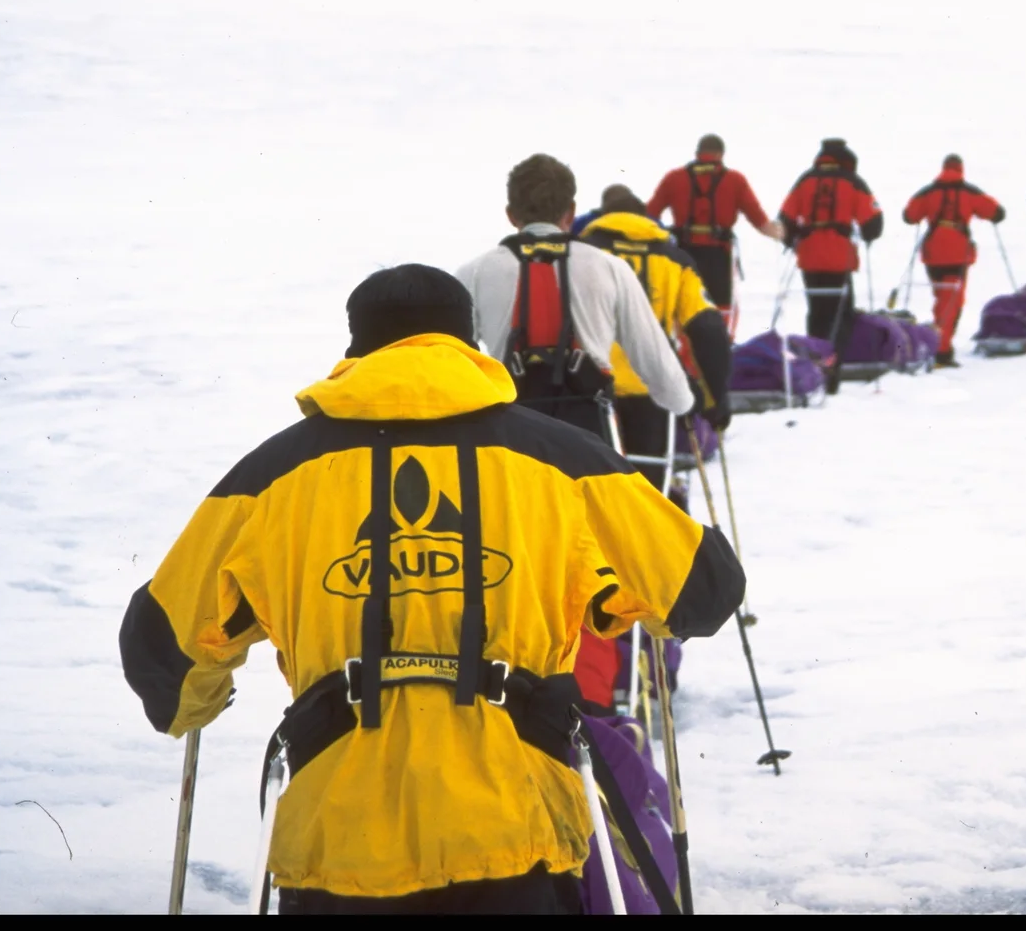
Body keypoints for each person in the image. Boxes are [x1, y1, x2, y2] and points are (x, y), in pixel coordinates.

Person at [117, 264, 745, 913]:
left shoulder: (269, 477)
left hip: (337, 834)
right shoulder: (564, 461)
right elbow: (703, 589)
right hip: (517, 820)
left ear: (355, 350)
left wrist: (200, 697)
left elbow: (163, 649)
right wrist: (608, 596)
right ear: (471, 344)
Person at [457, 155, 695, 441]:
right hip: (590, 435)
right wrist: (682, 403)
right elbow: (654, 358)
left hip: (512, 435)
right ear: (570, 211)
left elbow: (454, 363)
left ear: (510, 214)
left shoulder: (474, 273)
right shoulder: (610, 268)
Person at [580, 185, 733, 495]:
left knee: (593, 484)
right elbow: (708, 328)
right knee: (648, 487)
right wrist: (717, 397)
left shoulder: (581, 253)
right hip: (653, 384)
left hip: (591, 384)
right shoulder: (676, 259)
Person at [646, 134, 784, 332]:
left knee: (684, 303)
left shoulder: (674, 178)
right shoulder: (735, 180)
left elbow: (650, 215)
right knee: (721, 306)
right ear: (721, 154)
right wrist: (782, 234)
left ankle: (684, 351)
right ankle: (720, 347)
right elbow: (760, 221)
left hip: (684, 254)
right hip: (719, 254)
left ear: (697, 154)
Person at [777, 137, 883, 392]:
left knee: (817, 312)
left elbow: (785, 220)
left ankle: (816, 364)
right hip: (839, 258)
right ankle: (833, 371)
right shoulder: (853, 182)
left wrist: (794, 239)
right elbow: (874, 223)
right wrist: (866, 235)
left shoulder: (805, 180)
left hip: (810, 257)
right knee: (841, 316)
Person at [901, 154, 1006, 367]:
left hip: (932, 252)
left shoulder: (928, 191)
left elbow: (909, 216)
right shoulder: (968, 191)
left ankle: (937, 342)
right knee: (951, 302)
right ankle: (941, 349)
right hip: (957, 252)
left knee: (942, 297)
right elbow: (997, 212)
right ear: (961, 170)